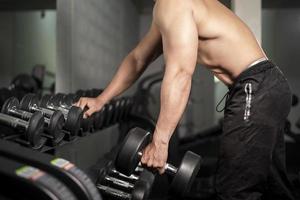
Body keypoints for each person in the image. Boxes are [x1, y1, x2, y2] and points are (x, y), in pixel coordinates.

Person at [75, 0, 295, 199]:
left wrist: (160, 143)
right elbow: (137, 59)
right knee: (272, 185)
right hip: (266, 85)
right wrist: (101, 100)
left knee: (235, 189)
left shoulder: (173, 4)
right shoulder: (167, 8)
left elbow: (180, 73)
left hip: (255, 86)